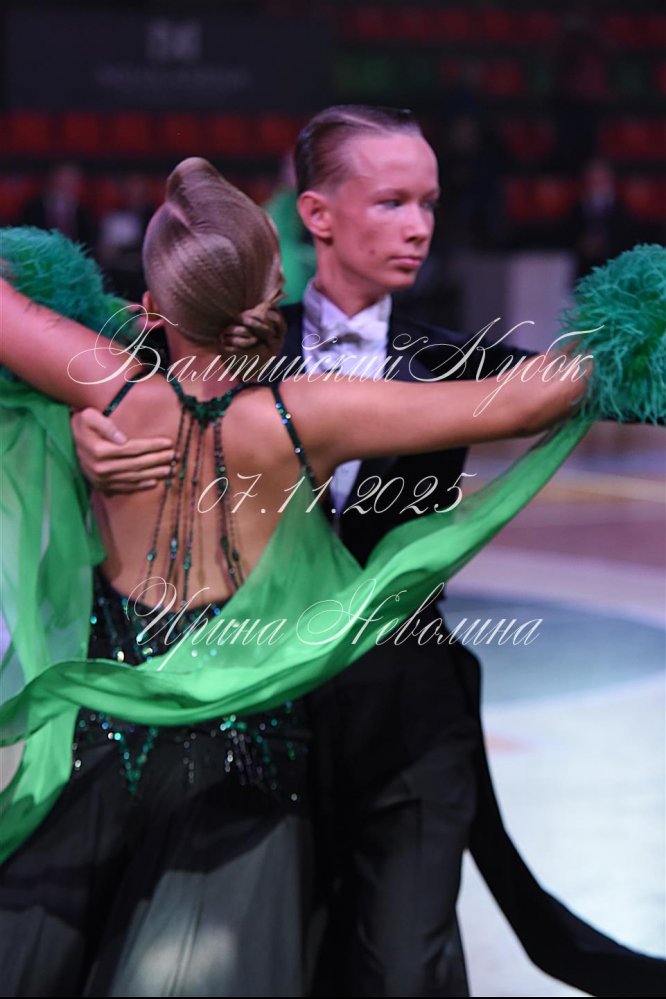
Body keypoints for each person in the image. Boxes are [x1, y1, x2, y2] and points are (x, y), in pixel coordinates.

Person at [69, 109, 665, 998]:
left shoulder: (454, 363)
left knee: (400, 965)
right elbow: (117, 395)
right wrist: (91, 434)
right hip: (264, 718)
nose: (419, 226)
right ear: (316, 214)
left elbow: (600, 385)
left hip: (408, 711)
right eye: (391, 201)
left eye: (429, 202)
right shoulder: (225, 348)